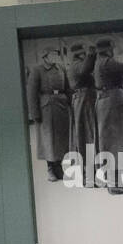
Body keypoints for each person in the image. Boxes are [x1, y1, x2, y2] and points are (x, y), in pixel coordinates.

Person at [91, 38, 123, 195]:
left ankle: (114, 182)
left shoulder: (101, 62)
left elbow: (121, 76)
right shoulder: (108, 62)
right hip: (114, 103)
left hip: (106, 103)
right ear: (109, 49)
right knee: (116, 144)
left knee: (110, 144)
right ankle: (115, 184)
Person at [27, 46, 71, 182]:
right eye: (53, 54)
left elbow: (68, 88)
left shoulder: (61, 68)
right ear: (45, 56)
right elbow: (31, 93)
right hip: (46, 109)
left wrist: (70, 105)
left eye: (56, 54)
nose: (55, 56)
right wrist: (35, 113)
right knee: (49, 140)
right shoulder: (37, 70)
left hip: (61, 107)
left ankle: (59, 167)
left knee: (61, 139)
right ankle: (50, 169)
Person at [66, 44, 97, 186]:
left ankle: (89, 174)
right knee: (88, 136)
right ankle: (89, 176)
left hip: (83, 100)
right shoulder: (77, 65)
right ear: (80, 54)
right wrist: (92, 54)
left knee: (86, 136)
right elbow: (86, 70)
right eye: (83, 53)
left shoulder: (75, 65)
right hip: (85, 101)